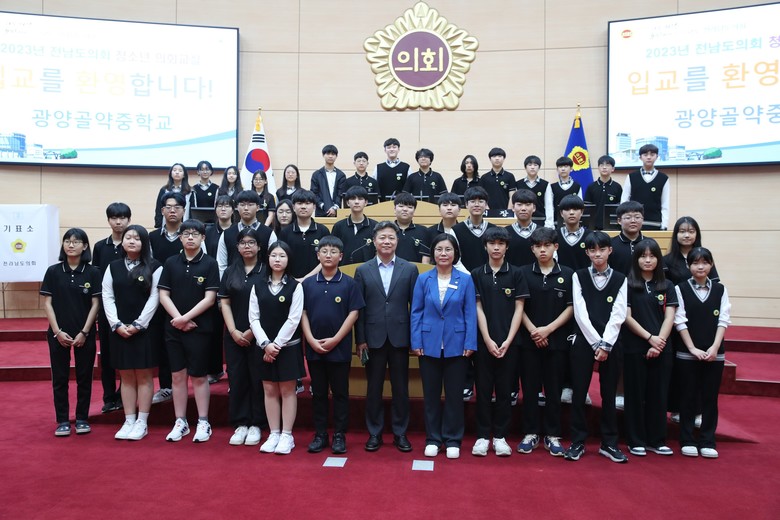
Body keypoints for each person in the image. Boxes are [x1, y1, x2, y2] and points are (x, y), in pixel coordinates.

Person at [354, 221, 419, 452]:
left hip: (401, 337)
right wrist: (360, 339)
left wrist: (414, 339)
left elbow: (415, 307)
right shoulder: (363, 270)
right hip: (373, 338)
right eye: (382, 237)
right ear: (374, 241)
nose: (387, 241)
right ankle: (375, 433)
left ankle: (400, 433)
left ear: (397, 241)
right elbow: (359, 309)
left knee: (401, 388)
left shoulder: (409, 269)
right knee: (374, 388)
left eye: (391, 237)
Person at [411, 234, 477, 459]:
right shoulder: (423, 279)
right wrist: (416, 341)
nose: (443, 254)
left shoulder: (465, 280)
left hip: (457, 344)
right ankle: (433, 439)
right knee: (430, 396)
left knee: (454, 396)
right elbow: (416, 312)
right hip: (428, 344)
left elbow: (470, 313)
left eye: (448, 249)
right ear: (433, 253)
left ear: (455, 253)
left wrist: (470, 342)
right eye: (439, 249)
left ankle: (452, 439)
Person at [564, 231, 628, 463]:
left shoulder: (621, 278)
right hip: (584, 341)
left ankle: (609, 443)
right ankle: (577, 441)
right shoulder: (578, 276)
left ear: (610, 250)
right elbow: (579, 312)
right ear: (587, 252)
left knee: (608, 395)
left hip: (611, 343)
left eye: (602, 249)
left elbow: (619, 313)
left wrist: (606, 343)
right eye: (592, 250)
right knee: (579, 393)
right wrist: (595, 342)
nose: (597, 254)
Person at [301, 236, 365, 454]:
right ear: (317, 255)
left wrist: (336, 339)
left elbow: (354, 313)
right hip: (314, 348)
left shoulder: (349, 283)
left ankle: (339, 435)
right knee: (318, 393)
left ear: (341, 256)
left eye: (333, 251)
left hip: (340, 349)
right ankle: (320, 434)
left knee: (340, 393)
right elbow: (302, 313)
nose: (328, 255)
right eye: (324, 251)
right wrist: (310, 339)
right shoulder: (308, 284)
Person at [158, 219, 220, 443]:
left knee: (199, 376)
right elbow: (163, 294)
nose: (190, 237)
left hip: (200, 328)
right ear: (180, 237)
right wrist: (179, 319)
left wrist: (186, 318)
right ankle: (180, 421)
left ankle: (203, 421)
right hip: (174, 328)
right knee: (177, 375)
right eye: (186, 234)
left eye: (195, 234)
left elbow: (210, 298)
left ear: (203, 237)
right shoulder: (171, 262)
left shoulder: (210, 264)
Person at [470, 227, 528, 457]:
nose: (496, 247)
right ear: (485, 246)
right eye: (492, 243)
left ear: (506, 247)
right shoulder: (476, 274)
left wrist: (508, 340)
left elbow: (519, 308)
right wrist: (487, 338)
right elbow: (477, 307)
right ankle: (483, 436)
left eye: (500, 244)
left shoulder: (517, 273)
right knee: (483, 391)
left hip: (510, 344)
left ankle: (501, 437)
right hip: (483, 343)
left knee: (505, 392)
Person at [102, 225, 163, 441]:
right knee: (126, 376)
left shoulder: (155, 266)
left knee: (144, 376)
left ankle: (142, 421)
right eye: (128, 237)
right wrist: (116, 324)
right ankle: (128, 419)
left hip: (144, 330)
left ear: (144, 243)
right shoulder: (113, 266)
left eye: (137, 238)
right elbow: (107, 296)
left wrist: (139, 324)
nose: (132, 241)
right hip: (119, 329)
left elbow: (155, 297)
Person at [517, 227, 573, 457]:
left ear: (555, 247)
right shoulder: (522, 273)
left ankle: (552, 435)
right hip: (529, 342)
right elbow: (518, 307)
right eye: (538, 246)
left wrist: (548, 330)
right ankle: (530, 433)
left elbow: (571, 308)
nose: (542, 250)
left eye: (547, 245)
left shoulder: (568, 274)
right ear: (532, 249)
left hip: (557, 342)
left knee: (553, 390)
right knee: (529, 390)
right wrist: (534, 331)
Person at [41, 229, 101, 437]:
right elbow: (47, 304)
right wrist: (57, 331)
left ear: (85, 246)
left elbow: (96, 304)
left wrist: (85, 332)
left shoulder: (93, 272)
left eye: (76, 241)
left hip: (85, 333)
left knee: (84, 377)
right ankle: (63, 421)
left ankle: (82, 418)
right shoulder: (53, 271)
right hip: (58, 334)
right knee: (60, 378)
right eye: (67, 241)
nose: (71, 245)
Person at [622, 238, 678, 457]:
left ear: (658, 259)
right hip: (635, 347)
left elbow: (670, 317)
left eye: (652, 256)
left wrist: (659, 341)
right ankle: (635, 440)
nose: (647, 260)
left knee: (659, 395)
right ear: (636, 259)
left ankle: (657, 440)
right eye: (643, 256)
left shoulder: (667, 286)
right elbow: (627, 317)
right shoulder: (627, 284)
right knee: (635, 395)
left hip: (662, 349)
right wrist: (649, 338)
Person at [674, 247, 731, 459]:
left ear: (711, 265)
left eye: (705, 262)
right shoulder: (680, 288)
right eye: (695, 263)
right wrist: (692, 348)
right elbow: (679, 320)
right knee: (687, 397)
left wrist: (714, 347)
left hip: (714, 355)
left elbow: (723, 320)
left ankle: (708, 440)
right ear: (688, 266)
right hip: (687, 354)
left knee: (710, 398)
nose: (700, 267)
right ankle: (687, 439)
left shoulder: (720, 290)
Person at [251, 241, 305, 455]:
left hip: (287, 347)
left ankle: (287, 435)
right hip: (264, 348)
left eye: (282, 256)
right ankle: (274, 433)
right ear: (267, 258)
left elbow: (294, 319)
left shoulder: (295, 286)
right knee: (269, 389)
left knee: (287, 390)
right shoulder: (257, 285)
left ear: (288, 260)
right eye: (274, 255)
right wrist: (266, 344)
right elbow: (253, 318)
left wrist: (277, 344)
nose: (277, 259)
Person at [218, 228, 268, 446]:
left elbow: (269, 305)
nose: (247, 246)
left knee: (257, 379)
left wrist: (251, 331)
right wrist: (233, 331)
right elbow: (224, 302)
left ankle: (257, 423)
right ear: (237, 247)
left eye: (251, 242)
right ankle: (240, 423)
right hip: (234, 335)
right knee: (237, 379)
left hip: (259, 336)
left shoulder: (266, 270)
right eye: (243, 243)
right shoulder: (230, 271)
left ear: (259, 246)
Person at [149, 191, 189, 405]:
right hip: (158, 297)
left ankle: (191, 383)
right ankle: (166, 386)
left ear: (184, 210)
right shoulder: (152, 237)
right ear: (162, 210)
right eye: (169, 207)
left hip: (187, 297)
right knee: (164, 342)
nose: (173, 211)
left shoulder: (190, 235)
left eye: (177, 207)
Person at [92, 202, 132, 414]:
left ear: (129, 220)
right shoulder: (100, 247)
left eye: (122, 217)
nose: (118, 222)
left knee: (126, 353)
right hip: (106, 308)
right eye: (114, 218)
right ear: (108, 220)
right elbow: (96, 277)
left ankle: (125, 394)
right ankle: (109, 397)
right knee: (107, 354)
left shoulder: (134, 244)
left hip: (130, 307)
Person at [216, 190, 277, 278]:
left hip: (261, 282)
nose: (246, 208)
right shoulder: (227, 234)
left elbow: (273, 262)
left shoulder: (269, 233)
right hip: (233, 282)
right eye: (242, 204)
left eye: (250, 204)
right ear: (237, 207)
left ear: (258, 207)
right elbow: (221, 265)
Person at [278, 189, 331, 279]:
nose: (303, 207)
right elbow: (281, 258)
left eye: (307, 203)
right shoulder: (285, 232)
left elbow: (327, 258)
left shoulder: (323, 230)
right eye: (299, 203)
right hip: (291, 281)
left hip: (318, 280)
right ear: (293, 207)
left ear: (314, 207)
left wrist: (306, 278)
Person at [620, 143, 670, 230]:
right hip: (633, 224)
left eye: (652, 154)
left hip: (655, 223)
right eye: (645, 155)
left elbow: (665, 204)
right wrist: (623, 221)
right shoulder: (631, 177)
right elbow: (624, 201)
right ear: (640, 157)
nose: (649, 157)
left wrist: (664, 225)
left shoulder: (663, 178)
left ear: (657, 157)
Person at [663, 216, 720, 286]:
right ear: (676, 234)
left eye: (691, 232)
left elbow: (714, 284)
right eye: (682, 231)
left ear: (697, 234)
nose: (687, 235)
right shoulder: (666, 260)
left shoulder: (705, 256)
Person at [330, 186, 378, 265]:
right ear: (347, 203)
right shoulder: (339, 226)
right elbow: (332, 250)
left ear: (366, 202)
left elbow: (378, 251)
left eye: (360, 199)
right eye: (353, 198)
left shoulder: (375, 226)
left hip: (368, 270)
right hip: (343, 269)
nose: (356, 202)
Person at [452, 186, 496, 271]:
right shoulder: (455, 230)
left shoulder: (493, 229)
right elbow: (455, 259)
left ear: (486, 205)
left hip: (489, 275)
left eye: (481, 201)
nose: (477, 205)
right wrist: (466, 275)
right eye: (472, 201)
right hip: (464, 276)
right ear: (466, 204)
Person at [583, 155, 622, 230]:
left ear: (613, 169)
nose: (604, 167)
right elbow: (587, 208)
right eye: (601, 165)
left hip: (612, 226)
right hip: (593, 226)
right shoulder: (591, 187)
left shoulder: (617, 187)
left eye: (607, 165)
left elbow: (620, 208)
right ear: (598, 168)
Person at [556, 194, 591, 271]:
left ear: (582, 212)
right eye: (567, 209)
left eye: (575, 209)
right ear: (561, 213)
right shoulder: (554, 236)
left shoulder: (590, 236)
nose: (571, 212)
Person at [392, 192, 431, 264]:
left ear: (414, 211)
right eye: (401, 206)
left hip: (416, 269)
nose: (405, 209)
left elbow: (425, 257)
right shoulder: (387, 230)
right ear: (394, 209)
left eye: (410, 207)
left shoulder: (423, 231)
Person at [609, 201, 645, 276]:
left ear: (642, 220)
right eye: (628, 217)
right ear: (619, 221)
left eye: (637, 217)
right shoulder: (610, 244)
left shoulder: (649, 243)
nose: (633, 221)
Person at [505, 189, 539, 268]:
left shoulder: (542, 232)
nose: (523, 208)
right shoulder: (505, 233)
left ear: (534, 208)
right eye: (519, 204)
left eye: (528, 204)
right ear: (513, 207)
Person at [311, 144, 347, 217]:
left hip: (337, 212)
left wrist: (334, 208)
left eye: (333, 154)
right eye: (328, 154)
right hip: (320, 211)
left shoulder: (341, 175)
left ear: (336, 156)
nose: (330, 156)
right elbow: (314, 193)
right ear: (323, 155)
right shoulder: (317, 174)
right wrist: (322, 205)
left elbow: (340, 194)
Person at [545, 156, 582, 228]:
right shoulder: (552, 187)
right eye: (560, 166)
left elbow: (579, 206)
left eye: (566, 166)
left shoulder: (577, 187)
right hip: (556, 223)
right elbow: (549, 207)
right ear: (557, 169)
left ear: (571, 169)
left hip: (573, 224)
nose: (563, 169)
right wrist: (550, 224)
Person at [478, 147, 515, 217]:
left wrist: (508, 211)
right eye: (494, 156)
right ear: (490, 159)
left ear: (504, 158)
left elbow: (512, 196)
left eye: (500, 156)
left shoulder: (510, 176)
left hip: (506, 212)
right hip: (488, 211)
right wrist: (487, 209)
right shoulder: (484, 177)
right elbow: (481, 196)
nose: (497, 158)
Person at [154, 163, 191, 228]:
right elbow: (159, 209)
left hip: (186, 226)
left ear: (184, 175)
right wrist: (158, 225)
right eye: (174, 170)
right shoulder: (164, 190)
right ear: (170, 174)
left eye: (180, 171)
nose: (177, 172)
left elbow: (193, 211)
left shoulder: (190, 191)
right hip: (166, 225)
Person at [516, 155, 549, 225]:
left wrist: (549, 223)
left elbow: (549, 205)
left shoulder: (545, 184)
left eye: (535, 165)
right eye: (530, 165)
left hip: (540, 220)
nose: (532, 167)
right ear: (525, 167)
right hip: (522, 220)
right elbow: (515, 204)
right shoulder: (518, 184)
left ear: (539, 167)